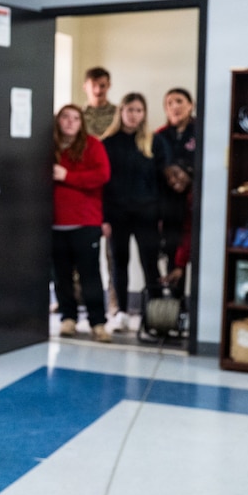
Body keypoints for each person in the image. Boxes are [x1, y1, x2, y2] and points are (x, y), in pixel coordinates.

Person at [101, 92, 167, 332]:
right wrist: (104, 218)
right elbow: (103, 184)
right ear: (121, 112)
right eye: (130, 110)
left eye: (138, 110)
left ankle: (155, 315)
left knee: (150, 263)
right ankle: (119, 313)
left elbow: (161, 183)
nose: (134, 115)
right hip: (117, 214)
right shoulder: (107, 143)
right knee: (119, 263)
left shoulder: (154, 142)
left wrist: (161, 215)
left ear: (144, 114)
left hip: (147, 214)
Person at [51, 104, 112, 342]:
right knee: (61, 276)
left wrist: (68, 176)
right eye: (65, 117)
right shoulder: (49, 146)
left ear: (81, 122)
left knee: (90, 276)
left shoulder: (92, 145)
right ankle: (68, 318)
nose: (69, 122)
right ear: (58, 120)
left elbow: (102, 175)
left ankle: (98, 322)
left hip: (85, 223)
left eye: (75, 118)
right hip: (55, 224)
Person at [154, 88, 196, 296]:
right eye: (169, 103)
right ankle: (172, 307)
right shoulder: (159, 136)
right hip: (168, 203)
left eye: (179, 101)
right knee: (171, 253)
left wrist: (188, 176)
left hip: (194, 202)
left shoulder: (201, 131)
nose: (174, 107)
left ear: (191, 105)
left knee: (191, 251)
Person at [81, 66, 116, 138]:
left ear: (109, 85)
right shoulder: (77, 115)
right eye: (93, 86)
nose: (98, 90)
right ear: (85, 87)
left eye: (102, 86)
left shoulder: (119, 114)